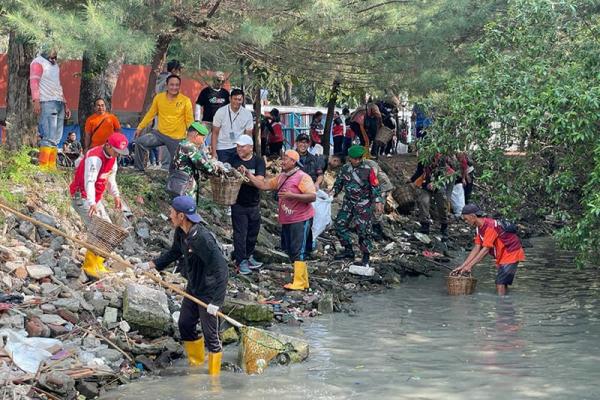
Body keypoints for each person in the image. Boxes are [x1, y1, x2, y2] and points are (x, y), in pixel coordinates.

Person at [134, 196, 228, 375]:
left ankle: (215, 381)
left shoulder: (203, 238)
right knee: (185, 324)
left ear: (182, 216)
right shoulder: (181, 233)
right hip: (193, 287)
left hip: (209, 291)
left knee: (211, 337)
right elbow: (174, 253)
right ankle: (197, 364)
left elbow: (222, 270)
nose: (169, 215)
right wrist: (150, 265)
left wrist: (216, 302)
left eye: (172, 212)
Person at [242, 150, 316, 290]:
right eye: (283, 159)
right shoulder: (282, 176)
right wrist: (248, 174)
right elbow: (264, 185)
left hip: (300, 218)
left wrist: (292, 196)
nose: (282, 161)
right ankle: (302, 280)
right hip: (287, 219)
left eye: (286, 159)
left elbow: (312, 196)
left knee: (297, 250)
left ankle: (300, 282)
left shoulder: (302, 177)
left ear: (293, 162)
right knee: (290, 249)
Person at [69, 132, 129, 278]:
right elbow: (89, 181)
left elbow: (110, 179)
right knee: (99, 230)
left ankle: (99, 264)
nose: (117, 155)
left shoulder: (113, 158)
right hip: (82, 197)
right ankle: (89, 266)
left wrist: (116, 195)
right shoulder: (95, 157)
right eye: (116, 151)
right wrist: (91, 202)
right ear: (108, 145)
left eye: (120, 152)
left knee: (108, 228)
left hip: (95, 199)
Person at [453, 204, 525, 295]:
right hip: (502, 254)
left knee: (500, 282)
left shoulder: (490, 226)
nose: (465, 221)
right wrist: (463, 266)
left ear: (473, 216)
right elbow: (477, 247)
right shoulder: (479, 228)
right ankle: (506, 303)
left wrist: (469, 266)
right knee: (502, 282)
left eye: (466, 219)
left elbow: (485, 249)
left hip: (511, 252)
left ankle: (502, 303)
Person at [331, 145, 383, 267]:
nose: (358, 161)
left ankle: (365, 256)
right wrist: (333, 193)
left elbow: (375, 187)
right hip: (348, 203)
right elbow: (338, 183)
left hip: (363, 204)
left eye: (359, 158)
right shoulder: (345, 169)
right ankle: (348, 249)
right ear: (350, 158)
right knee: (339, 224)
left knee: (364, 230)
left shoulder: (368, 169)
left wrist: (378, 201)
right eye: (355, 159)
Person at [134, 75, 194, 172]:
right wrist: (140, 128)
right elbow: (150, 114)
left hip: (176, 138)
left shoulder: (185, 101)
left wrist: (191, 136)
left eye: (177, 85)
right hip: (160, 134)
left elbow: (189, 120)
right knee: (140, 142)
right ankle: (138, 171)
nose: (174, 87)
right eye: (172, 85)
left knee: (176, 167)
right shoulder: (159, 98)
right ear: (166, 85)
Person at [30, 48, 72, 170]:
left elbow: (58, 85)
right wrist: (36, 101)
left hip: (59, 102)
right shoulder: (38, 62)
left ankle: (51, 167)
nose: (55, 51)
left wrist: (65, 103)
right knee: (48, 136)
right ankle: (44, 167)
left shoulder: (54, 65)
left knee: (56, 138)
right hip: (47, 102)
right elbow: (34, 83)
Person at [229, 135, 266, 274]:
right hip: (238, 203)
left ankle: (249, 256)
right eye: (238, 146)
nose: (239, 149)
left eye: (242, 146)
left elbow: (260, 183)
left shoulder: (258, 161)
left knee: (253, 232)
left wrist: (247, 176)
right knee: (240, 234)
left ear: (250, 147)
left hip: (254, 203)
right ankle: (240, 261)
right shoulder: (234, 160)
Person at [168, 122, 215, 200]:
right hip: (185, 186)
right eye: (202, 138)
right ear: (196, 135)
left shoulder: (182, 143)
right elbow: (205, 166)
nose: (203, 142)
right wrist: (216, 169)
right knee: (187, 208)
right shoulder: (190, 147)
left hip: (176, 183)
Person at [409, 154, 451, 238]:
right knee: (423, 201)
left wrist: (435, 183)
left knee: (442, 204)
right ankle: (425, 225)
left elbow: (445, 174)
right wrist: (411, 180)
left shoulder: (443, 161)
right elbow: (419, 172)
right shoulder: (423, 161)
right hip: (425, 186)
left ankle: (444, 226)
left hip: (438, 186)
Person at [296, 133, 324, 256]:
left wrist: (317, 183)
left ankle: (305, 250)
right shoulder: (291, 157)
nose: (303, 145)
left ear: (309, 144)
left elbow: (320, 175)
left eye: (306, 142)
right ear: (296, 143)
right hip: (294, 193)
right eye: (301, 142)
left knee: (308, 221)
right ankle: (290, 247)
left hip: (309, 193)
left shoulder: (314, 159)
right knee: (293, 221)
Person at [211, 88, 253, 164]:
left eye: (239, 99)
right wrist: (214, 152)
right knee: (223, 172)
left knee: (239, 172)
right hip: (222, 148)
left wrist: (248, 152)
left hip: (238, 148)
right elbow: (215, 132)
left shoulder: (247, 114)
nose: (237, 102)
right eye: (235, 99)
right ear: (230, 99)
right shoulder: (221, 112)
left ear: (242, 100)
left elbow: (248, 135)